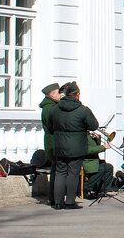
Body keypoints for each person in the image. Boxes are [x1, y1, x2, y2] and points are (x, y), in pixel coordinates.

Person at [48, 81, 98, 210]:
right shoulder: (83, 110)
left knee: (60, 173)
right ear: (77, 94)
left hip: (60, 145)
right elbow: (94, 126)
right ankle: (69, 202)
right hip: (77, 146)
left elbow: (50, 127)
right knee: (73, 174)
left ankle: (58, 202)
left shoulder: (54, 109)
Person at [39, 81, 62, 205]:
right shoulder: (49, 108)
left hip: (54, 141)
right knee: (57, 170)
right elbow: (52, 125)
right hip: (53, 142)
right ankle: (53, 197)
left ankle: (54, 197)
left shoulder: (52, 106)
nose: (60, 95)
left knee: (57, 170)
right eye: (58, 93)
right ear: (52, 94)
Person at [81, 130, 114, 201]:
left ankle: (102, 190)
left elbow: (96, 146)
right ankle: (87, 188)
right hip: (87, 161)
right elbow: (87, 150)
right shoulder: (82, 136)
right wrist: (103, 147)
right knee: (101, 169)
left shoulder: (89, 135)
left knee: (109, 167)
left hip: (94, 161)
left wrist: (97, 139)